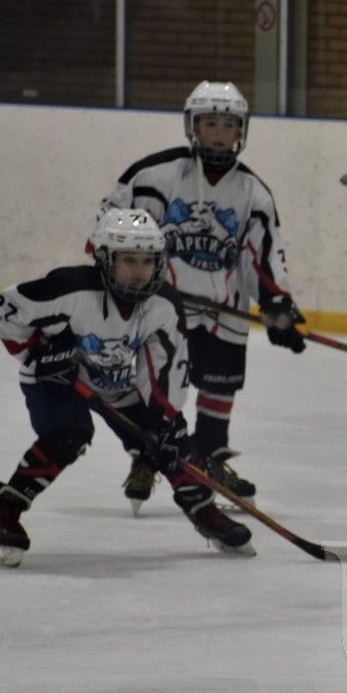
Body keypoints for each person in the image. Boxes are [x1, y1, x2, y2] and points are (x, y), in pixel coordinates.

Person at [0, 208, 253, 568]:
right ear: (105, 260)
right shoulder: (71, 288)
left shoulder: (164, 305)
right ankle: (5, 510)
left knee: (172, 440)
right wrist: (38, 354)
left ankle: (204, 512)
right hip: (56, 379)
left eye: (148, 261)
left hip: (116, 382)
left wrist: (166, 421)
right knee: (68, 434)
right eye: (129, 261)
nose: (140, 271)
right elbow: (4, 309)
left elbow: (163, 366)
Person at [100, 80, 305, 511]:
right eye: (209, 123)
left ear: (240, 131)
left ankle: (211, 457)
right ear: (193, 126)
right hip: (162, 309)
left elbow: (263, 257)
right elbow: (114, 231)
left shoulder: (253, 193)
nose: (218, 133)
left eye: (227, 125)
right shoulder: (154, 176)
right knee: (159, 384)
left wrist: (277, 305)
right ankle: (145, 456)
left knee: (219, 386)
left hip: (222, 308)